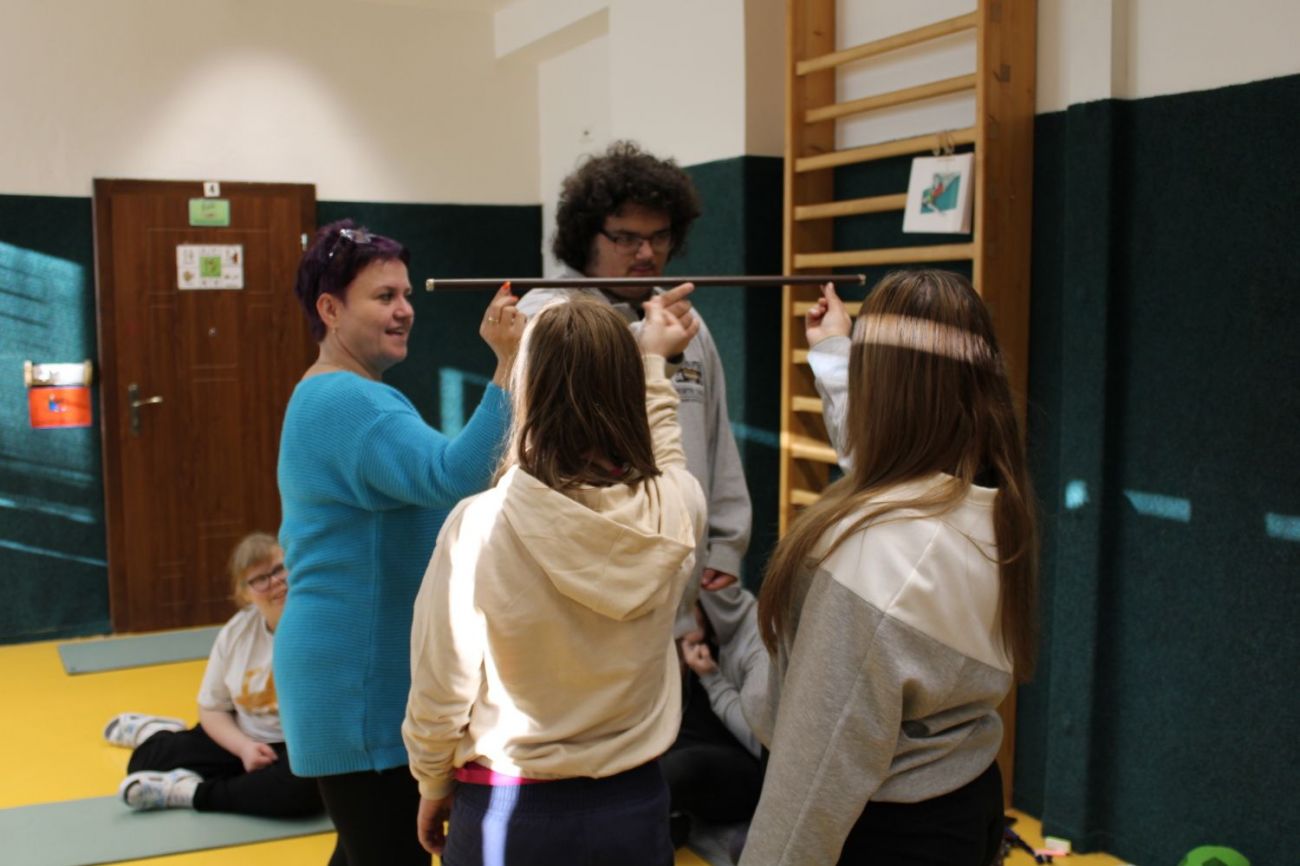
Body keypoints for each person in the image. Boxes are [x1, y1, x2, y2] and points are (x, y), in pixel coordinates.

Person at [741, 271, 1040, 866]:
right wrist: (835, 350)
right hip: (964, 799)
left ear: (880, 386)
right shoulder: (984, 496)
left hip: (883, 830)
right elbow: (879, 454)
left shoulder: (876, 558)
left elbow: (817, 774)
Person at [403, 292, 708, 865]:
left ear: (528, 391)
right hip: (633, 811)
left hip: (509, 815)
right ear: (627, 393)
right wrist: (652, 361)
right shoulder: (678, 506)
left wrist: (432, 781)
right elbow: (668, 455)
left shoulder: (479, 526)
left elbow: (441, 683)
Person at [275, 219, 522, 865]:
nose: (405, 310)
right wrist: (507, 364)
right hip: (356, 682)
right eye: (384, 296)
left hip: (349, 671)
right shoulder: (348, 401)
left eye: (407, 294)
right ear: (330, 310)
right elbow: (457, 475)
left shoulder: (346, 394)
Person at [516, 141, 751, 627]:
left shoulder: (685, 320)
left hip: (677, 571)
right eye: (626, 238)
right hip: (588, 578)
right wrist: (649, 346)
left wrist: (728, 541)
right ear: (587, 236)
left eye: (659, 236)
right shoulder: (546, 311)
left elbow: (714, 434)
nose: (646, 253)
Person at [107, 532, 322, 819]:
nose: (275, 582)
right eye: (260, 579)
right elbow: (212, 708)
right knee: (145, 760)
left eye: (279, 569)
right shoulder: (237, 633)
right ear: (245, 593)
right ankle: (158, 732)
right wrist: (244, 748)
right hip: (245, 735)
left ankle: (189, 792)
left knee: (300, 793)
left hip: (294, 746)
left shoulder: (319, 623)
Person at [662, 585, 768, 849]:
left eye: (684, 607)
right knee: (639, 762)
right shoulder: (687, 635)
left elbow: (761, 740)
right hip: (696, 747)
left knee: (680, 767)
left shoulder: (756, 638)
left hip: (747, 768)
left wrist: (712, 679)